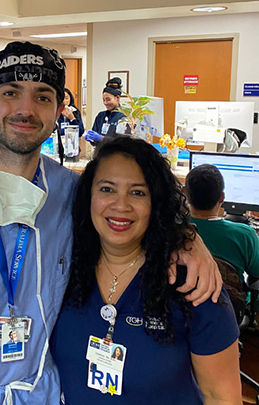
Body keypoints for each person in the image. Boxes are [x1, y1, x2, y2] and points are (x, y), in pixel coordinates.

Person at [0, 41, 220, 405]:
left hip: (41, 392)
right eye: (11, 92)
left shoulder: (73, 193)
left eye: (42, 97)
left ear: (59, 110)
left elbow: (135, 213)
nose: (25, 109)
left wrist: (187, 237)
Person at [51, 136, 242, 405]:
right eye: (107, 189)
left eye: (138, 192)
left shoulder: (192, 283)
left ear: (156, 203)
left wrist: (188, 236)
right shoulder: (62, 269)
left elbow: (221, 397)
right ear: (88, 196)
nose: (121, 205)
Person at [185, 164, 259, 281]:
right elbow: (256, 272)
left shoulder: (174, 230)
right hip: (230, 299)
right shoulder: (245, 235)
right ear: (222, 197)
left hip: (182, 297)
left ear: (185, 193)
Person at [84, 77, 127, 144]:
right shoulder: (101, 116)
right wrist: (91, 138)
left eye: (108, 99)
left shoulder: (124, 117)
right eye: (103, 100)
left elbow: (121, 142)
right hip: (100, 152)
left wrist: (101, 138)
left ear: (117, 98)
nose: (105, 103)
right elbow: (94, 140)